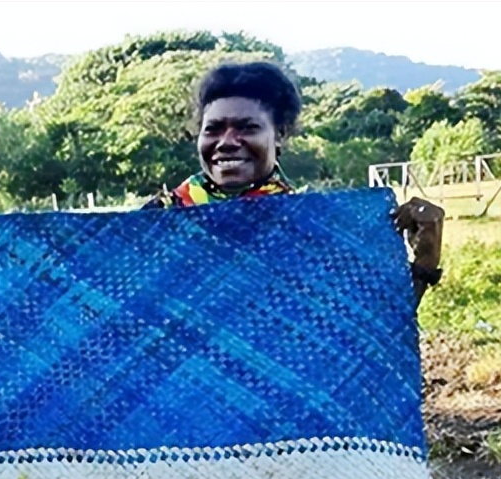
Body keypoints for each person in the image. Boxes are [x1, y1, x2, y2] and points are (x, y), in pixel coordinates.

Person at [147, 60, 443, 301]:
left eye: (247, 127)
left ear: (280, 135)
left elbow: (368, 340)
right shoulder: (152, 225)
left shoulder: (316, 230)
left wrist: (425, 262)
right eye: (213, 129)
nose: (226, 142)